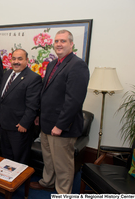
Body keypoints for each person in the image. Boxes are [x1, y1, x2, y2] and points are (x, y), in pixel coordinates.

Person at [30, 30, 89, 193]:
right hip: (46, 122)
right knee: (48, 159)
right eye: (56, 41)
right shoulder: (52, 64)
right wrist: (38, 115)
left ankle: (63, 192)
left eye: (63, 41)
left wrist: (60, 125)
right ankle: (47, 182)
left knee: (63, 164)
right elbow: (45, 93)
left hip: (62, 126)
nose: (58, 44)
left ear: (71, 44)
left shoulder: (78, 65)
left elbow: (74, 101)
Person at [0, 49, 42, 164]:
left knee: (19, 159)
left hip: (19, 126)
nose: (16, 62)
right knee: (6, 156)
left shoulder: (33, 78)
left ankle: (20, 182)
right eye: (14, 58)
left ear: (27, 61)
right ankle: (7, 180)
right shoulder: (7, 73)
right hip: (4, 124)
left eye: (20, 59)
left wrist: (24, 123)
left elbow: (33, 105)